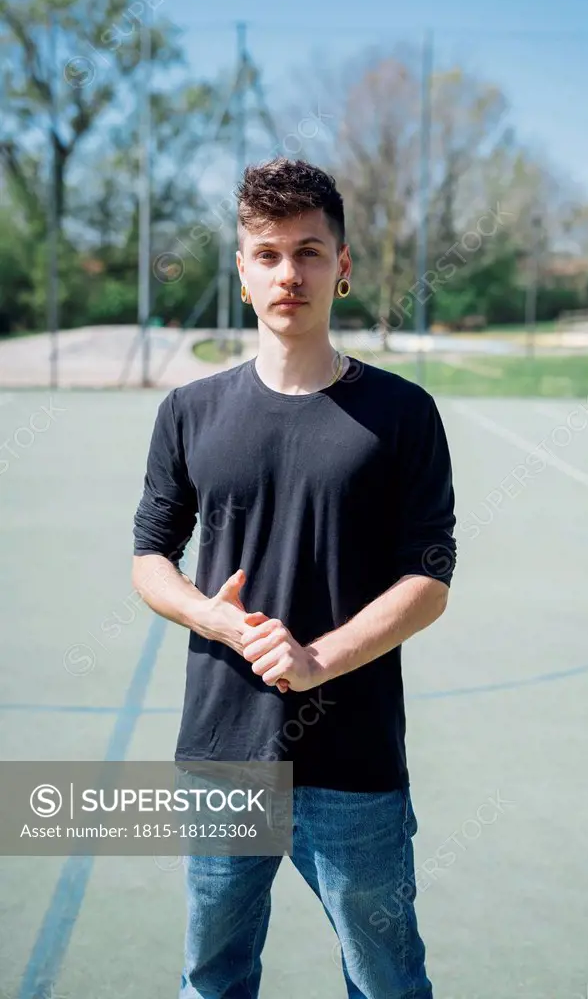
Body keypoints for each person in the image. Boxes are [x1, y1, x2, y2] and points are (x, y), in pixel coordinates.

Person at [132, 157, 457, 998]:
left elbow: (429, 578)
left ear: (343, 268)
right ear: (241, 272)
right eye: (268, 254)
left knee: (387, 981)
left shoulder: (402, 413)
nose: (290, 273)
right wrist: (214, 619)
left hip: (354, 760)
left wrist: (318, 660)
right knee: (214, 977)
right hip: (223, 753)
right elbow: (149, 559)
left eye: (310, 251)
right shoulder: (189, 413)